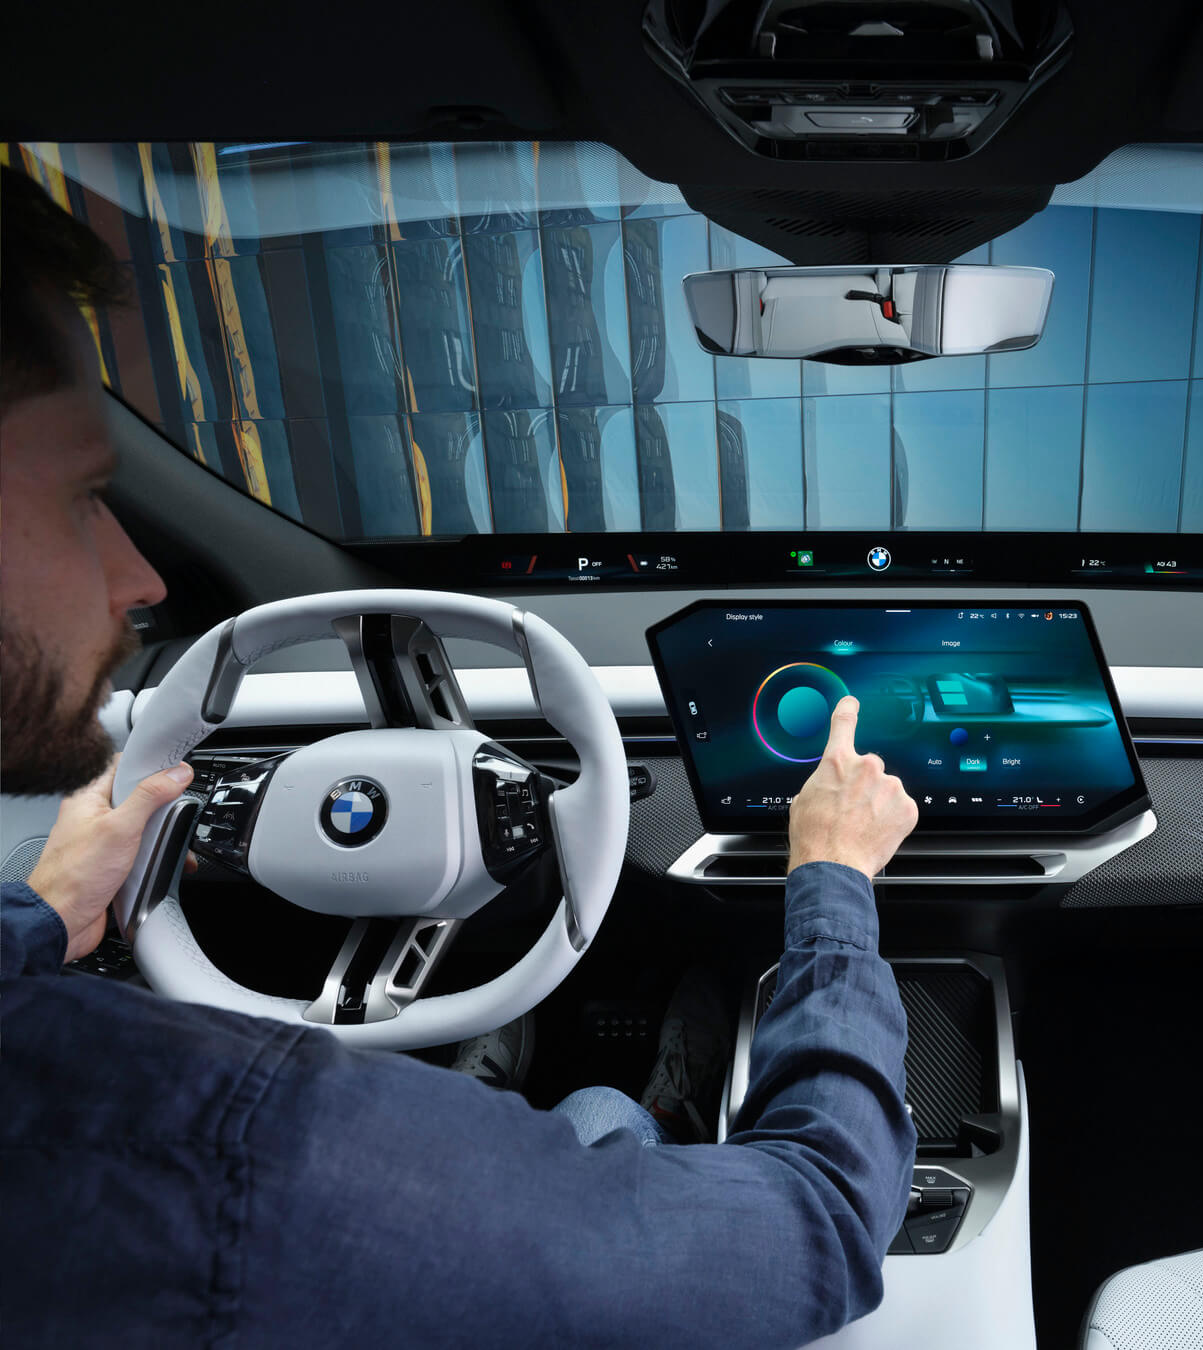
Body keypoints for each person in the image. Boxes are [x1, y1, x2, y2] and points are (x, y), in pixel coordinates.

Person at [0, 165, 919, 1347]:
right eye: (87, 495)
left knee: (575, 1120)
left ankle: (509, 1085)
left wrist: (35, 917)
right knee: (604, 1114)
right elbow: (821, 1227)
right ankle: (645, 1105)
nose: (142, 578)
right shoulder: (241, 1155)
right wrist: (834, 882)